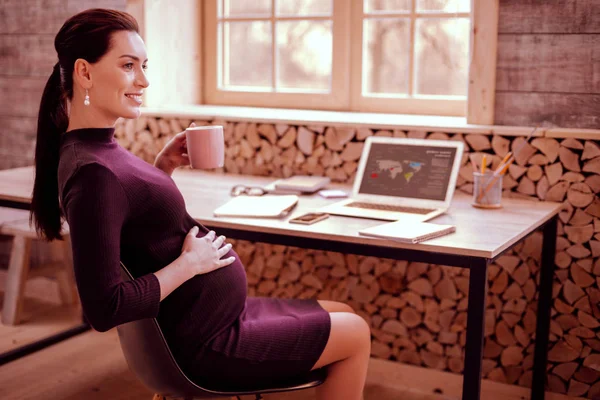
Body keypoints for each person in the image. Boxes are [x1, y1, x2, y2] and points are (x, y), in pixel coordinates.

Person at [30, 8, 370, 400]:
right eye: (128, 66)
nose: (143, 80)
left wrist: (162, 168)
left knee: (342, 310)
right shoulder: (92, 175)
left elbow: (133, 222)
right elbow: (103, 309)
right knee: (355, 333)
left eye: (144, 65)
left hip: (213, 320)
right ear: (84, 73)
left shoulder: (97, 149)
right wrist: (190, 265)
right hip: (204, 345)